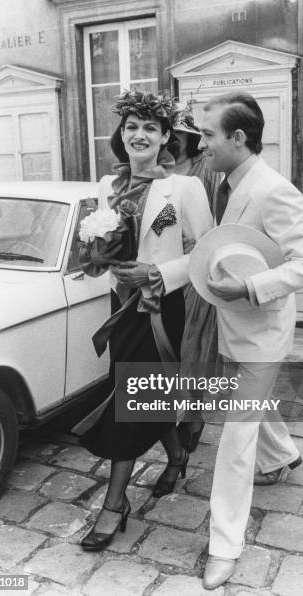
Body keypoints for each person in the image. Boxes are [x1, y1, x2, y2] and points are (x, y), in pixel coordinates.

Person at [192, 91, 303, 590]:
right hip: (236, 326)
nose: (201, 143)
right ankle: (284, 456)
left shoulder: (274, 190)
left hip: (261, 331)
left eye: (208, 135)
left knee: (235, 436)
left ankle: (224, 545)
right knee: (254, 407)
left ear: (238, 137)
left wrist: (249, 287)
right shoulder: (226, 181)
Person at [77, 90, 213, 552]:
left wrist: (158, 272)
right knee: (142, 393)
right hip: (121, 307)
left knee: (132, 399)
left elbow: (205, 251)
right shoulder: (105, 186)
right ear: (121, 134)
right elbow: (103, 248)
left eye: (150, 128)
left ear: (165, 138)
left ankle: (114, 504)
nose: (139, 135)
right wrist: (96, 258)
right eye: (131, 126)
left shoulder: (185, 190)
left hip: (163, 310)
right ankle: (176, 455)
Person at [169, 108, 222, 452]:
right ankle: (177, 416)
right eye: (169, 137)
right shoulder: (160, 173)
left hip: (198, 270)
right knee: (172, 351)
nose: (172, 143)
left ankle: (192, 416)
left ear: (191, 140)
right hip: (168, 269)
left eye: (178, 137)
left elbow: (217, 218)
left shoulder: (206, 172)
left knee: (194, 348)